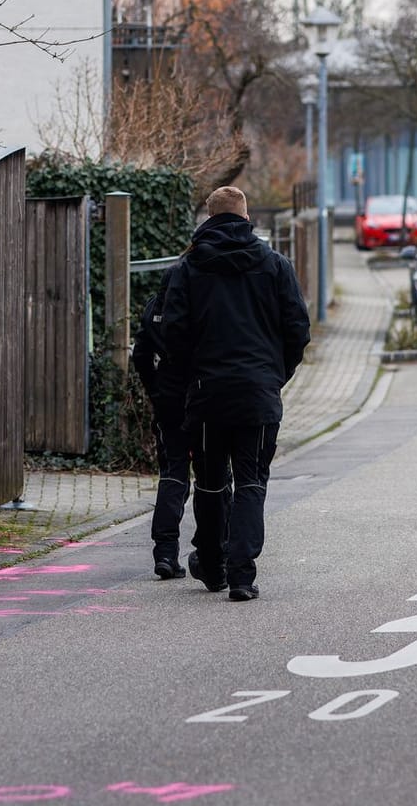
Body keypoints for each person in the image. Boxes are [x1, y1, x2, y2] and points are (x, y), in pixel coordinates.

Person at [158, 186, 311, 602]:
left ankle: (212, 564)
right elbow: (297, 330)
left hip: (208, 394)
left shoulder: (188, 269)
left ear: (207, 219)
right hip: (258, 394)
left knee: (209, 483)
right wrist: (275, 376)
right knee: (250, 483)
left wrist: (193, 378)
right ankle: (242, 575)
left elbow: (172, 333)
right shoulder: (275, 265)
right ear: (247, 218)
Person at [131, 280, 192, 580]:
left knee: (172, 474)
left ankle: (166, 552)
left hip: (167, 399)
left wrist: (155, 390)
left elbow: (140, 354)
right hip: (201, 395)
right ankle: (216, 549)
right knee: (217, 475)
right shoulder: (200, 299)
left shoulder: (156, 304)